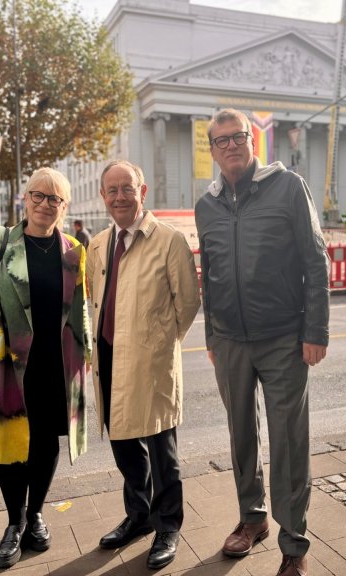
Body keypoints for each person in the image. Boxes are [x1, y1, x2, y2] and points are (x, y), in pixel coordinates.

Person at [195, 108, 330, 576]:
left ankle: (294, 544)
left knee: (290, 441)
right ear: (211, 150)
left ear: (253, 141)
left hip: (283, 340)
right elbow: (208, 279)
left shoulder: (287, 187)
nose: (230, 146)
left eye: (237, 137)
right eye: (220, 140)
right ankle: (252, 520)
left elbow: (316, 261)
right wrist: (212, 333)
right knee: (240, 435)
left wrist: (315, 331)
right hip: (230, 341)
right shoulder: (206, 204)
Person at [0, 167, 91, 570]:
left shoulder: (73, 249)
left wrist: (87, 351)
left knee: (45, 442)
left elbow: (78, 308)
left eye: (54, 198)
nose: (45, 204)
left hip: (53, 363)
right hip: (5, 363)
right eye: (37, 196)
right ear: (24, 199)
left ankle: (37, 514)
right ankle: (14, 522)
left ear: (65, 206)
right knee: (10, 445)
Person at [87, 160, 200, 570]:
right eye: (112, 189)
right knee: (124, 446)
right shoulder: (98, 244)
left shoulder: (168, 240)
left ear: (143, 191)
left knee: (160, 449)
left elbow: (187, 305)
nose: (120, 196)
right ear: (103, 196)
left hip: (151, 362)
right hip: (109, 357)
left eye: (127, 188)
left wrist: (157, 344)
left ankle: (168, 524)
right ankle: (139, 517)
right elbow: (94, 300)